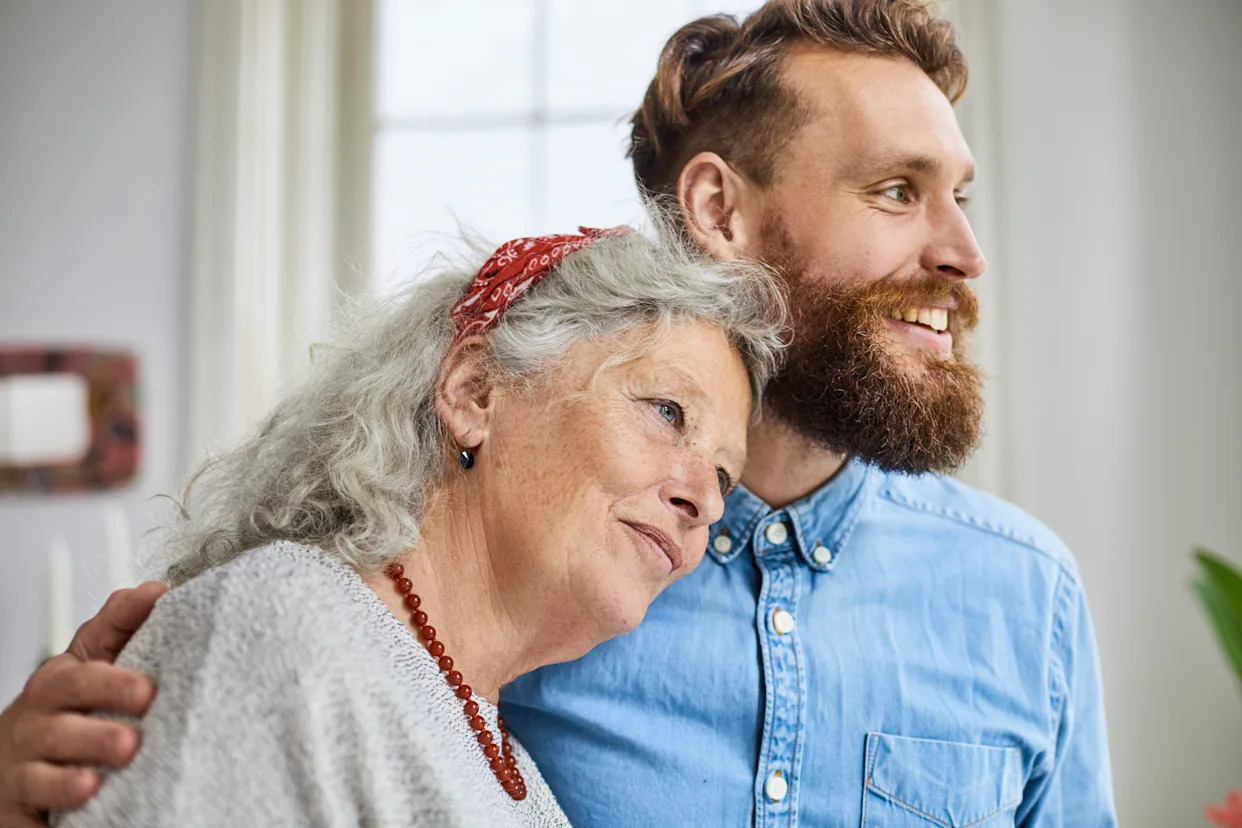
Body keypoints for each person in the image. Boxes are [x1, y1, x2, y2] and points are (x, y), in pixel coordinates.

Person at [0, 1, 1118, 826]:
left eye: (959, 196)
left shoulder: (1029, 599)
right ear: (719, 207)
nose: (965, 253)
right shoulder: (551, 571)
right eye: (894, 190)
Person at [27, 226, 785, 826]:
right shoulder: (284, 625)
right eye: (666, 412)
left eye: (723, 475)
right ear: (476, 391)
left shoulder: (509, 765)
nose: (707, 502)